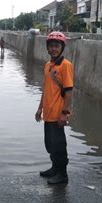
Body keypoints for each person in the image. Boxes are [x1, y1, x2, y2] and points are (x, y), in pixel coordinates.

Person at [35, 31, 73, 184]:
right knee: (50, 144)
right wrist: (39, 109)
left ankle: (62, 174)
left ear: (62, 47)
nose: (54, 49)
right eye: (51, 46)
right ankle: (54, 168)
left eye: (57, 46)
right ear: (48, 48)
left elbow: (69, 91)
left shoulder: (66, 65)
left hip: (58, 113)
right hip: (48, 112)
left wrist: (64, 113)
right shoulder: (47, 65)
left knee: (59, 146)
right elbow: (46, 89)